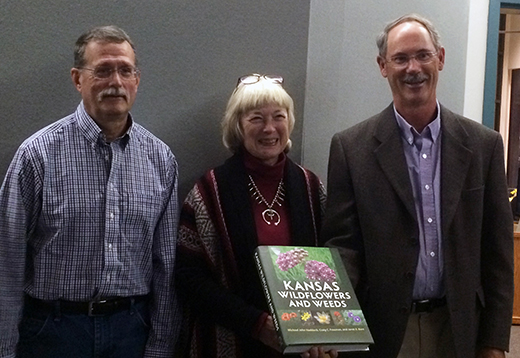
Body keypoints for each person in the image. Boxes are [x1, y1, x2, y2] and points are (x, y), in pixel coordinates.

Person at [321, 13, 514, 358]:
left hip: (458, 330)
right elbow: (343, 247)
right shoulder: (351, 149)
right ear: (383, 66)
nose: (413, 68)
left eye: (423, 54)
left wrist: (495, 341)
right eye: (400, 58)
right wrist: (331, 322)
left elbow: (497, 253)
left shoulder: (484, 146)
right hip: (384, 333)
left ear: (440, 58)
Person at [0, 25, 180, 358]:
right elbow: (6, 260)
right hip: (52, 332)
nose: (116, 82)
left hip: (131, 330)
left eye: (125, 70)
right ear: (77, 79)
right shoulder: (37, 155)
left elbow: (165, 266)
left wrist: (159, 345)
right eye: (103, 70)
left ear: (137, 80)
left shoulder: (160, 159)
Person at [176, 74, 337, 358]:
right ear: (238, 125)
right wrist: (257, 324)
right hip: (231, 343)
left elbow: (332, 269)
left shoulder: (312, 187)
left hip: (303, 349)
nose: (270, 128)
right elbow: (188, 279)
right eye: (256, 118)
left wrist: (328, 335)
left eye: (279, 116)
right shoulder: (209, 191)